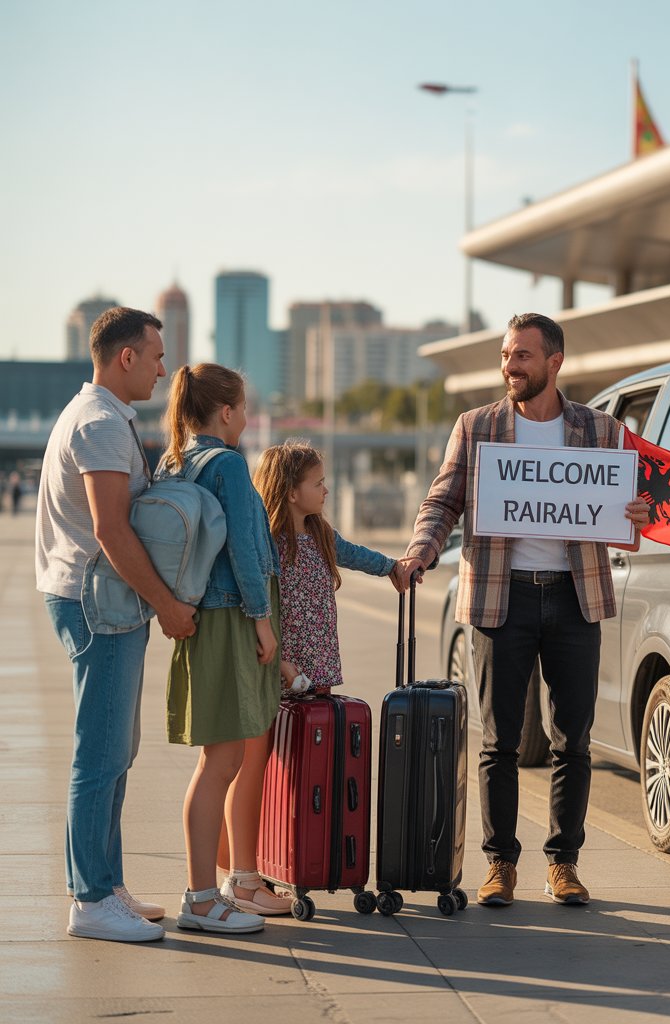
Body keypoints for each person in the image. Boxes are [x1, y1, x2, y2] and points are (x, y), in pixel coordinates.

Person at [399, 312, 650, 908]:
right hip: (499, 594)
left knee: (573, 739)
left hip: (575, 596)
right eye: (506, 355)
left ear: (555, 362)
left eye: (523, 356)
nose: (510, 366)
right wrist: (419, 551)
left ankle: (563, 863)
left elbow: (627, 514)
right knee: (500, 741)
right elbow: (444, 499)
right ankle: (499, 864)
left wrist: (636, 516)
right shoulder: (476, 425)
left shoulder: (600, 430)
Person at [35, 306, 196, 943]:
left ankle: (106, 881)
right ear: (124, 357)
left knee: (116, 751)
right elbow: (110, 528)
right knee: (100, 753)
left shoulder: (101, 416)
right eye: (156, 356)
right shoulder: (100, 423)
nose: (163, 368)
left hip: (102, 599)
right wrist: (166, 604)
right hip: (98, 603)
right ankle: (92, 899)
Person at [207, 439, 409, 908]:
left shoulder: (319, 534)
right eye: (317, 482)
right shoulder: (269, 543)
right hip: (275, 674)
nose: (326, 489)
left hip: (316, 675)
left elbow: (355, 553)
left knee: (295, 775)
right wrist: (279, 666)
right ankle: (241, 869)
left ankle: (275, 861)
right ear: (291, 491)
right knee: (253, 770)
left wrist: (392, 569)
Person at [162, 363, 279, 934]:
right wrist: (262, 620)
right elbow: (244, 552)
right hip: (231, 617)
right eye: (244, 407)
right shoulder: (228, 464)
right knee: (221, 762)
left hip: (198, 618)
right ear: (227, 411)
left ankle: (210, 892)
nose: (248, 417)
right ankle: (202, 897)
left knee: (220, 760)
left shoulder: (175, 460)